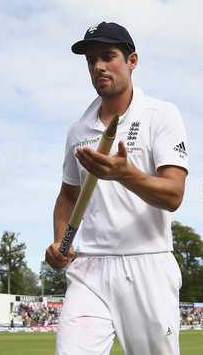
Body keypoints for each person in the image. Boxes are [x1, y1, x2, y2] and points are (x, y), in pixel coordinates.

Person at [44, 21, 189, 355]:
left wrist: (125, 174)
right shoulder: (78, 129)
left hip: (147, 264)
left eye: (108, 56)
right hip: (89, 267)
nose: (98, 66)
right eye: (91, 60)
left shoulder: (162, 115)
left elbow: (173, 194)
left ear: (132, 61)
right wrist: (59, 241)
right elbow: (68, 195)